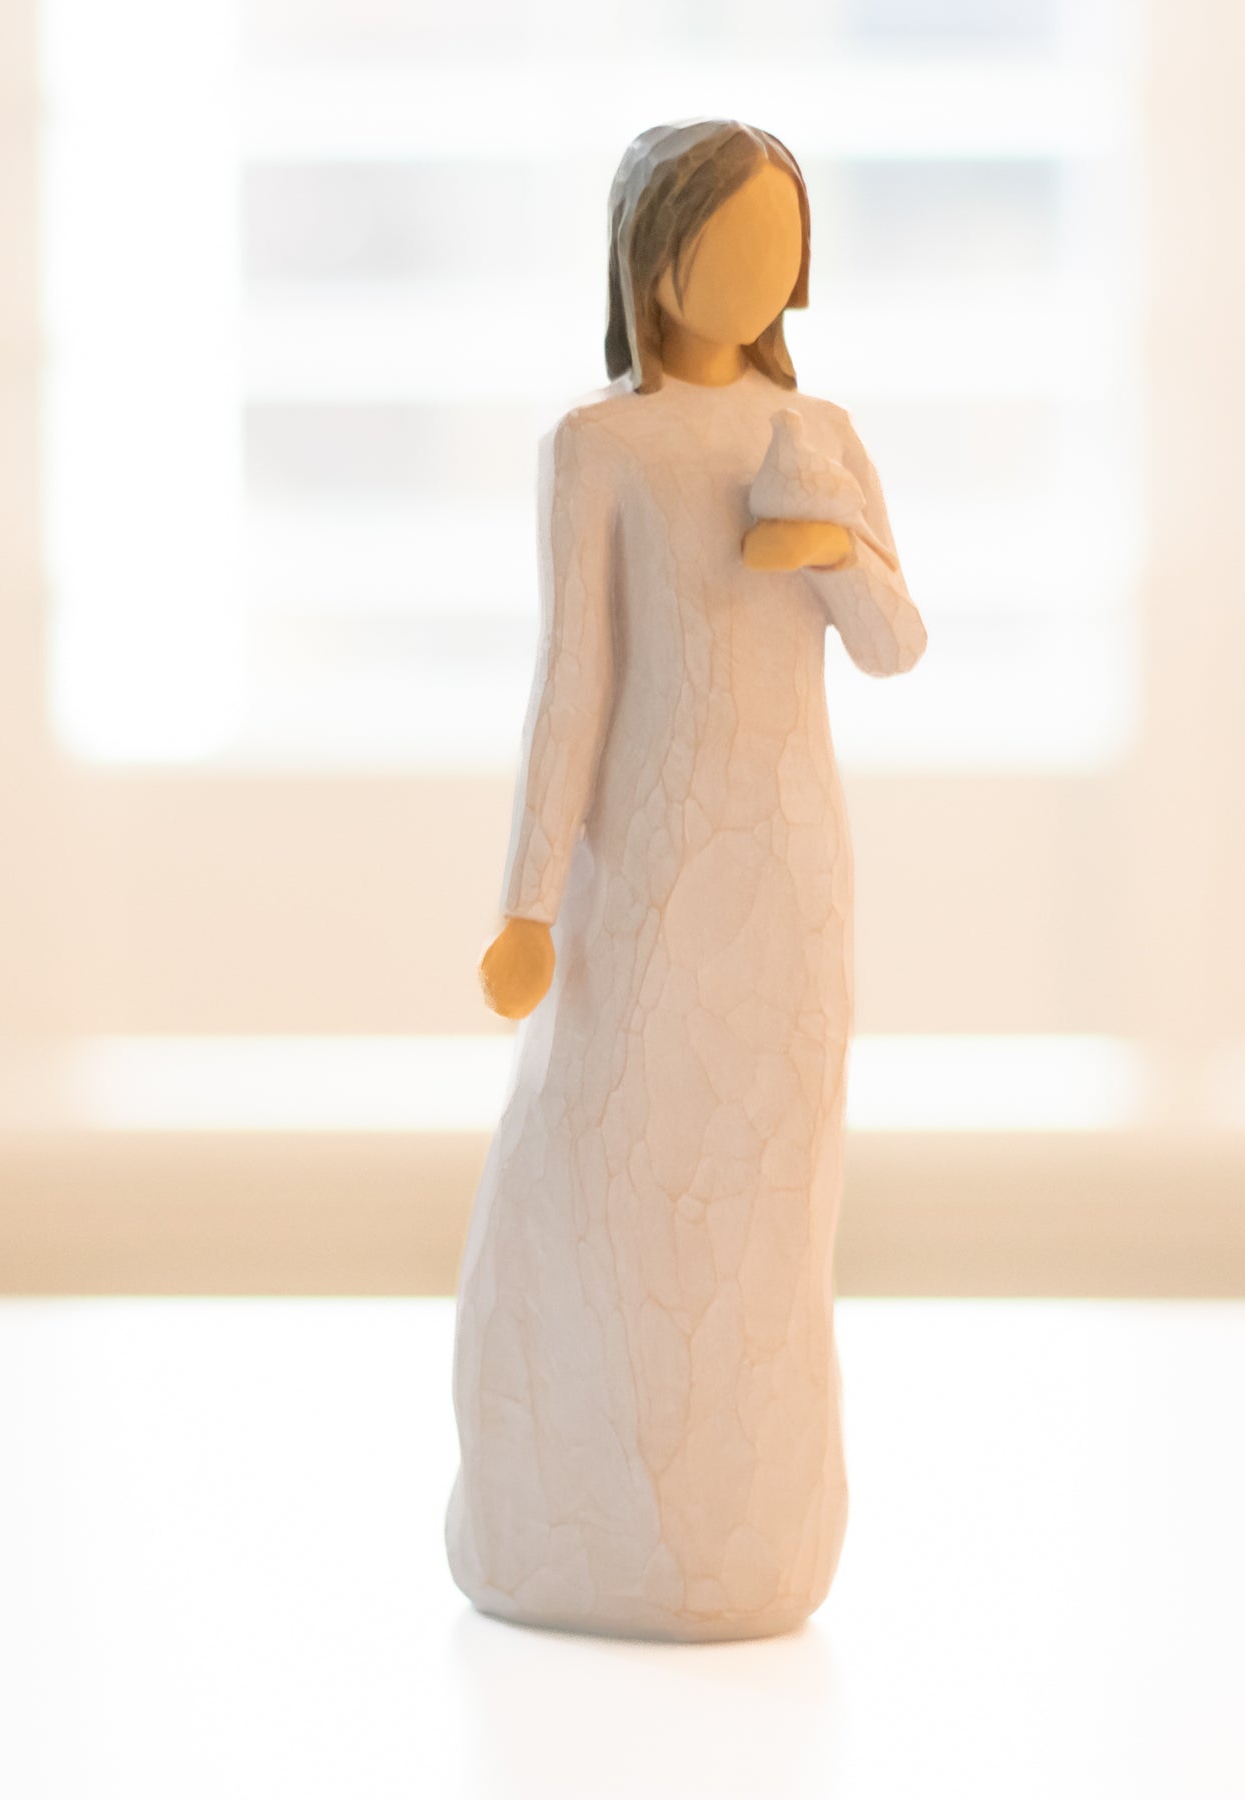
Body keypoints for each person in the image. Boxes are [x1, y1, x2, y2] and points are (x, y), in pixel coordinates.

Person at [447, 118, 926, 1641]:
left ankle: (748, 1532)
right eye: (726, 243)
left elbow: (897, 640)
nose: (755, 271)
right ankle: (574, 1517)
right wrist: (530, 904)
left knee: (767, 1204)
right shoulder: (603, 450)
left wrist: (826, 545)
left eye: (778, 246)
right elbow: (572, 681)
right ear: (651, 260)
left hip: (784, 876)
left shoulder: (816, 433)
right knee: (603, 1172)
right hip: (641, 877)